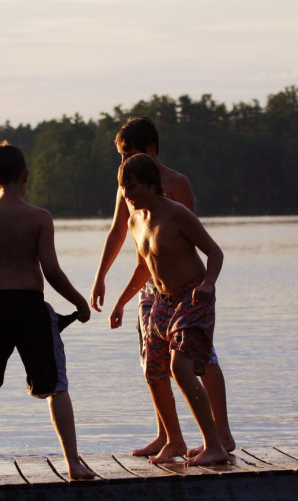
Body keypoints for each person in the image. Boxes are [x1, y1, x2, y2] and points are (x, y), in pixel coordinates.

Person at [0, 141, 97, 485]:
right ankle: (73, 464)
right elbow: (52, 271)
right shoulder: (39, 218)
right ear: (26, 176)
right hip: (31, 308)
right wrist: (79, 302)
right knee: (56, 388)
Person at [91, 117, 234, 463]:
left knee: (187, 364)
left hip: (190, 293)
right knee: (154, 367)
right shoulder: (132, 210)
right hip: (157, 295)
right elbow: (142, 262)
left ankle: (217, 440)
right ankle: (173, 439)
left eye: (129, 154)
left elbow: (203, 247)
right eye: (120, 157)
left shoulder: (174, 200)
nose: (126, 189)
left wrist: (209, 285)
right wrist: (115, 294)